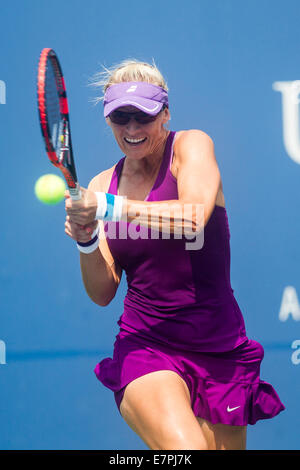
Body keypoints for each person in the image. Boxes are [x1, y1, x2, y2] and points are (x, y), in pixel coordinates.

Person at [64, 59, 285, 450]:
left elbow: (194, 217)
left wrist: (109, 208)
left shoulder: (191, 146)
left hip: (222, 345)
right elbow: (102, 292)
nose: (132, 129)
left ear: (165, 113)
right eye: (120, 118)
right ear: (108, 119)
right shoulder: (103, 184)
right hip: (147, 343)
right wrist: (86, 240)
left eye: (143, 117)